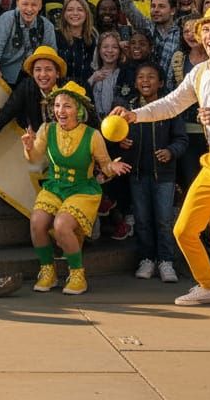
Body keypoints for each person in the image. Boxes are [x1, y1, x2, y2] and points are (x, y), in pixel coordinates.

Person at [110, 5, 210, 322]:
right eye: (206, 30)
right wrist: (135, 115)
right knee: (184, 229)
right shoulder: (198, 73)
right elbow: (171, 104)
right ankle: (208, 286)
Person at [24, 81, 130, 295]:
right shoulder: (47, 129)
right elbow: (34, 159)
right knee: (37, 221)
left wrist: (113, 166)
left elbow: (105, 167)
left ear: (79, 110)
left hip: (82, 189)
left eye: (67, 106)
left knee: (62, 224)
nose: (60, 111)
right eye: (57, 106)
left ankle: (77, 274)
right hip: (54, 186)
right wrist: (28, 147)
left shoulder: (93, 135)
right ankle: (47, 271)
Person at [125, 61, 187, 284]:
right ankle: (147, 259)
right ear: (135, 82)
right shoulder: (129, 108)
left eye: (151, 77)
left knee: (163, 219)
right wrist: (121, 142)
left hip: (165, 176)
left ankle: (166, 261)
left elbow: (181, 139)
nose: (145, 81)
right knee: (142, 220)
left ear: (160, 82)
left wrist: (171, 152)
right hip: (138, 174)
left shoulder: (169, 107)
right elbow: (112, 136)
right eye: (141, 77)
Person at [0, 45, 65, 145]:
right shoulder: (26, 86)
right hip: (36, 144)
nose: (43, 74)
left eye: (48, 69)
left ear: (57, 73)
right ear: (32, 73)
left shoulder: (68, 90)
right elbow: (8, 111)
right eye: (38, 70)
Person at [0, 0, 56, 86]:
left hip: (34, 78)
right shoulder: (6, 19)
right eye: (25, 4)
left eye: (34, 5)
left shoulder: (47, 26)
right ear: (17, 3)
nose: (29, 9)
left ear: (40, 5)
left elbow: (51, 55)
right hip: (5, 76)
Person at [55, 0, 97, 89]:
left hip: (86, 90)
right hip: (60, 90)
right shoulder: (56, 36)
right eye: (70, 10)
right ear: (64, 14)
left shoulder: (92, 39)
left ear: (86, 14)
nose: (75, 13)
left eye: (80, 10)